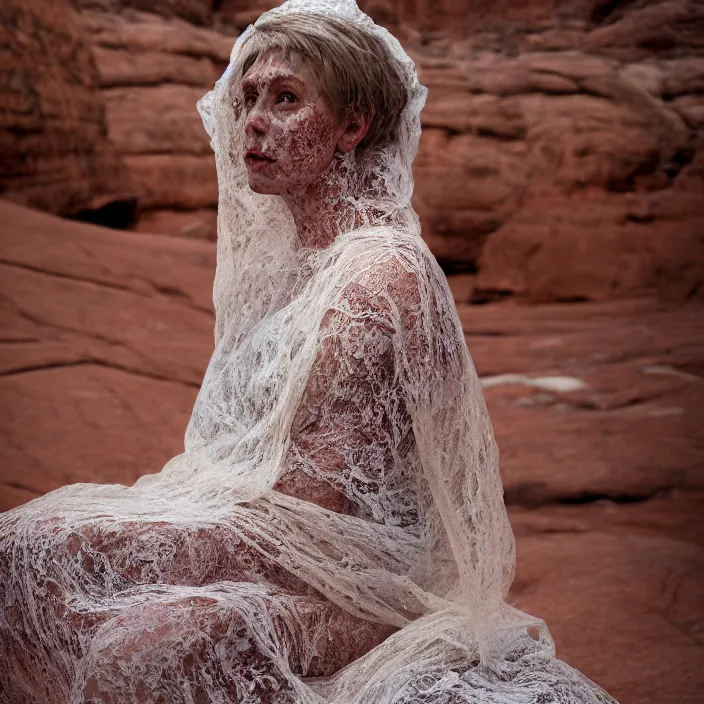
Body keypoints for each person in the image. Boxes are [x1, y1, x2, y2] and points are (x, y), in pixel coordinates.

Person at [0, 1, 618, 702]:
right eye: (250, 99)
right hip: (269, 545)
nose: (254, 121)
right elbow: (232, 472)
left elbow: (310, 522)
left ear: (352, 126)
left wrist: (126, 545)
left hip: (360, 585)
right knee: (22, 554)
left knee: (134, 642)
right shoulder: (281, 272)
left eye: (287, 99)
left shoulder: (380, 275)